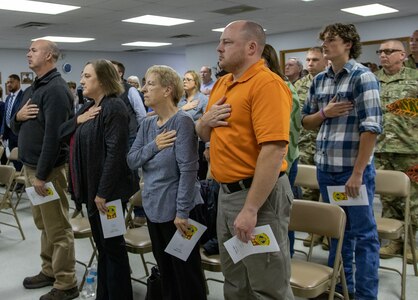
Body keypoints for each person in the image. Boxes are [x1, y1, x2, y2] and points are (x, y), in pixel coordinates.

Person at [196, 20, 294, 300]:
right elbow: (203, 131)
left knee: (267, 285)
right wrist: (204, 122)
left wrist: (251, 209)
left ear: (252, 47)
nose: (219, 48)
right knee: (235, 280)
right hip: (226, 193)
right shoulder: (224, 84)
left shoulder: (268, 85)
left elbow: (273, 151)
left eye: (227, 42)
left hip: (258, 197)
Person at [302, 23, 382, 300]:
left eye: (332, 39)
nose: (325, 44)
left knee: (363, 236)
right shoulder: (320, 79)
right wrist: (325, 112)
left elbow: (370, 128)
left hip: (352, 172)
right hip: (327, 170)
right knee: (337, 234)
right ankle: (339, 289)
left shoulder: (363, 77)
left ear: (348, 44)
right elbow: (306, 121)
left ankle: (365, 295)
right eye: (323, 39)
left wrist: (358, 173)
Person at [127, 65, 206, 300]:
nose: (143, 89)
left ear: (167, 90)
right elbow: (131, 159)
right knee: (166, 270)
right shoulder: (148, 124)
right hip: (154, 208)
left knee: (186, 274)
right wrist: (155, 145)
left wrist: (182, 212)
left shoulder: (182, 122)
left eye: (150, 84)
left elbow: (188, 170)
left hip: (179, 213)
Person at [60, 59, 135, 300]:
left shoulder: (114, 107)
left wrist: (102, 193)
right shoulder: (88, 107)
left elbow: (115, 154)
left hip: (107, 195)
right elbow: (61, 133)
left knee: (113, 250)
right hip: (94, 193)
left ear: (103, 80)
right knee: (103, 249)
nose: (81, 80)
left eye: (87, 76)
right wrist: (78, 121)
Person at [11, 39, 78, 300]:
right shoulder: (34, 88)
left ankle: (66, 282)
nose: (28, 53)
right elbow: (15, 125)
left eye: (33, 50)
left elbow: (54, 137)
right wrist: (17, 118)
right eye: (28, 49)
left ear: (49, 56)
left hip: (46, 172)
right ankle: (49, 269)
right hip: (31, 168)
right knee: (44, 224)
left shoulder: (57, 90)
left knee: (58, 228)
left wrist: (40, 174)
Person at [374, 39, 418, 263]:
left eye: (389, 51)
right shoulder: (373, 81)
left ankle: (411, 243)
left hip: (410, 149)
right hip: (381, 149)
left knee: (413, 200)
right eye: (380, 51)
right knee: (388, 198)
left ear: (403, 55)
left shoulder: (415, 79)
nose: (383, 55)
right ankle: (395, 242)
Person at [262, 43, 301, 257]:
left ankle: (287, 259)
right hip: (273, 163)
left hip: (283, 163)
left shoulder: (280, 87)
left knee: (279, 221)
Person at [294, 47, 329, 248]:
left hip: (324, 143)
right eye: (307, 60)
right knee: (308, 192)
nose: (310, 63)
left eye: (315, 59)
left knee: (329, 191)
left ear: (325, 61)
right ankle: (314, 230)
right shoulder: (300, 84)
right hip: (305, 143)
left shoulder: (329, 81)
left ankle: (329, 232)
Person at [178, 70, 208, 180]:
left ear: (195, 83)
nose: (185, 81)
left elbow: (208, 123)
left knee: (199, 175)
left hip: (198, 142)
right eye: (184, 79)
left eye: (188, 79)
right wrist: (183, 108)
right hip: (181, 141)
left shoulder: (203, 99)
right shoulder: (180, 100)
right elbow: (172, 117)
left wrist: (208, 147)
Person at [111, 60, 147, 145]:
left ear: (120, 74)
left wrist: (139, 134)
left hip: (129, 136)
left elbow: (141, 114)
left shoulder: (130, 90)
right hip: (113, 135)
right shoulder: (107, 90)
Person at [1, 74, 24, 170]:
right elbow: (5, 117)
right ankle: (17, 176)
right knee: (13, 157)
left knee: (21, 157)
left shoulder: (23, 97)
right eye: (7, 83)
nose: (8, 85)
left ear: (18, 82)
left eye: (11, 82)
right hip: (10, 134)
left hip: (20, 133)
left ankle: (21, 179)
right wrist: (2, 132)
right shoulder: (8, 98)